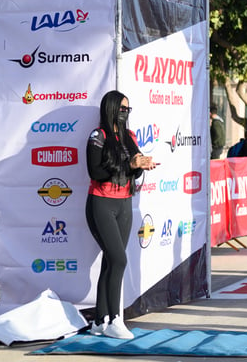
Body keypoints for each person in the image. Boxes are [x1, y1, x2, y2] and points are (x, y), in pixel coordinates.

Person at [85, 90, 157, 340]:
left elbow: (133, 172)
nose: (125, 113)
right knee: (119, 260)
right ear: (111, 109)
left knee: (111, 261)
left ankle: (99, 321)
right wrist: (130, 165)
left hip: (124, 204)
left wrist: (141, 165)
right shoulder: (98, 136)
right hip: (101, 204)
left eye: (128, 109)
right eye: (122, 108)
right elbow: (95, 172)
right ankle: (116, 319)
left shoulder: (129, 136)